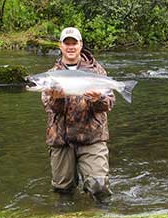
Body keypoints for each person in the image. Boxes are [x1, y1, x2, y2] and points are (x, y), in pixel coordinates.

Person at [41, 27, 115, 202]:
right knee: (62, 190)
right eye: (67, 43)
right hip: (61, 139)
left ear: (81, 45)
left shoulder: (97, 71)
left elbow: (109, 103)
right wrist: (57, 99)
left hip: (92, 136)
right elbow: (48, 107)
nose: (71, 47)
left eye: (74, 43)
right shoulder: (51, 75)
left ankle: (100, 217)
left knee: (99, 187)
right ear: (60, 46)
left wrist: (98, 99)